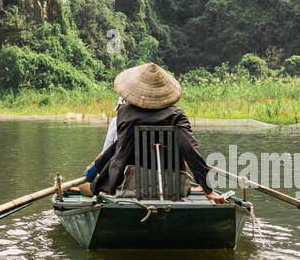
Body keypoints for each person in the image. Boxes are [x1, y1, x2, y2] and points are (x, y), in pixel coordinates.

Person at [81, 62, 226, 204]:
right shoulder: (177, 116)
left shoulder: (125, 113)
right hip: (174, 188)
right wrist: (208, 190)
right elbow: (191, 150)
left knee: (85, 187)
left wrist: (97, 168)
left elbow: (121, 148)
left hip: (127, 186)